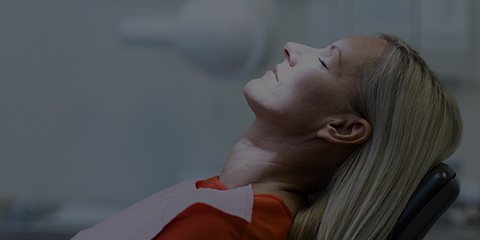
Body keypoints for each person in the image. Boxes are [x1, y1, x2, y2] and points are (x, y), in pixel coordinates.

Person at [72, 34, 462, 240]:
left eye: (325, 61)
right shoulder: (225, 205)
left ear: (342, 128)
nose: (292, 47)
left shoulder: (223, 225)